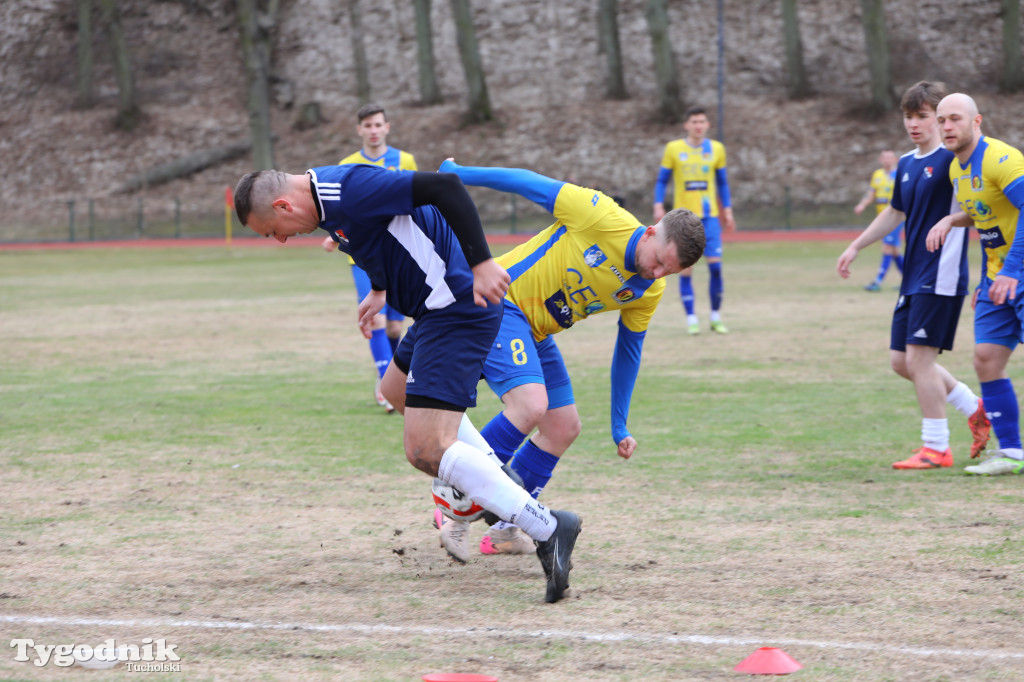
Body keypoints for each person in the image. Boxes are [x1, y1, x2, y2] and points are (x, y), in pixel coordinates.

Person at [233, 163, 582, 603]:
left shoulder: (349, 187)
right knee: (393, 391)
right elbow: (370, 230)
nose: (281, 239)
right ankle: (500, 479)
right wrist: (379, 288)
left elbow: (444, 185)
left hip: (457, 309)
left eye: (273, 230)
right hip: (432, 311)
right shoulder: (326, 204)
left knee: (425, 449)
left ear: (283, 205)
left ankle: (547, 526)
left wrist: (482, 262)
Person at [390, 160, 705, 562]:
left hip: (536, 332)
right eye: (659, 260)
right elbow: (528, 183)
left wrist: (619, 422)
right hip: (497, 306)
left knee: (562, 426)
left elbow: (629, 350)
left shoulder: (648, 291)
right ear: (648, 233)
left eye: (669, 272)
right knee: (530, 405)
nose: (657, 273)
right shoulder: (599, 214)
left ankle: (505, 528)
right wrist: (459, 174)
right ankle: (456, 508)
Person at [837, 81, 989, 470]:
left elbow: (985, 202)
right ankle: (975, 407)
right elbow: (894, 213)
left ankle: (936, 447)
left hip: (941, 274)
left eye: (923, 116)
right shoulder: (906, 163)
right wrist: (856, 246)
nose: (915, 124)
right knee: (901, 362)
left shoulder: (956, 160)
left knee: (919, 361)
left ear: (940, 120)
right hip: (913, 276)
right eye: (909, 116)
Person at [927, 93, 1024, 476]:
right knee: (986, 359)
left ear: (976, 122)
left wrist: (1011, 271)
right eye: (942, 120)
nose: (947, 127)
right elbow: (987, 219)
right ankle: (1013, 453)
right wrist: (953, 221)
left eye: (954, 119)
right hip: (998, 279)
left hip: (1016, 272)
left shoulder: (1002, 159)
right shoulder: (956, 169)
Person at [322, 103, 416, 412]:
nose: (373, 131)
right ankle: (386, 383)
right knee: (373, 318)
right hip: (363, 255)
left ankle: (396, 375)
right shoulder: (347, 164)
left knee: (393, 328)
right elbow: (340, 209)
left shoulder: (404, 161)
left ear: (387, 127)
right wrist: (333, 235)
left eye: (378, 125)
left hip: (398, 252)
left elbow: (415, 201)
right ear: (359, 130)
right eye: (368, 126)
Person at [653, 106, 735, 335]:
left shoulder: (716, 149)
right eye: (694, 122)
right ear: (686, 125)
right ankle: (691, 318)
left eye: (702, 122)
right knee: (685, 269)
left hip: (710, 219)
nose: (698, 126)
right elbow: (661, 181)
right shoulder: (674, 149)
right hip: (684, 221)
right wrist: (658, 203)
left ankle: (716, 316)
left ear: (707, 125)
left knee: (716, 268)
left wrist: (727, 209)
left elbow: (723, 182)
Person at [854, 149, 905, 292]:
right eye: (884, 157)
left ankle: (878, 281)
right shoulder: (877, 175)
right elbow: (871, 194)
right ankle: (907, 280)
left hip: (896, 217)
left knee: (887, 247)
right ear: (880, 160)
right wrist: (862, 205)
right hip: (882, 218)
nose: (887, 160)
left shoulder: (900, 174)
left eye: (890, 157)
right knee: (894, 250)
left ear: (895, 159)